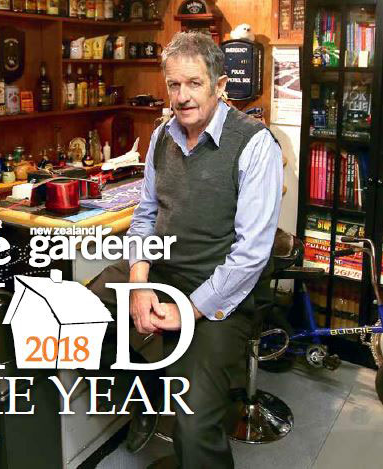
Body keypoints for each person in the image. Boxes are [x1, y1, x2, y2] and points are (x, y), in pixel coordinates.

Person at [87, 31, 283, 468]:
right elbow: (144, 217)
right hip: (163, 272)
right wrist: (138, 283)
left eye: (194, 83)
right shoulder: (162, 137)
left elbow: (251, 254)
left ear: (220, 85)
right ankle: (146, 394)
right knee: (78, 314)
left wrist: (187, 310)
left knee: (193, 426)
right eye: (174, 85)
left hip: (219, 292)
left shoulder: (254, 145)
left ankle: (171, 401)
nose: (182, 96)